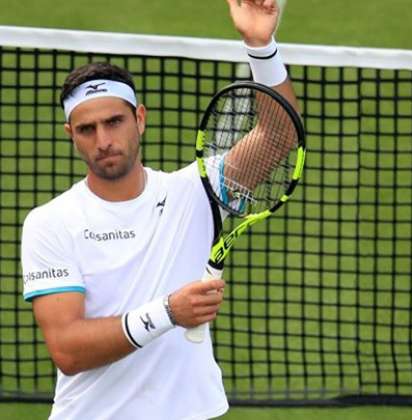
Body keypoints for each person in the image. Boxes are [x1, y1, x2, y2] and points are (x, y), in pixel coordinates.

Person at [20, 1, 297, 419]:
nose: (103, 140)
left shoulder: (199, 192)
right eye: (87, 129)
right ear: (70, 135)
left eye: (114, 122)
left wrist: (261, 46)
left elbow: (279, 137)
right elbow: (68, 349)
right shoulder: (50, 223)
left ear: (140, 119)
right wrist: (168, 312)